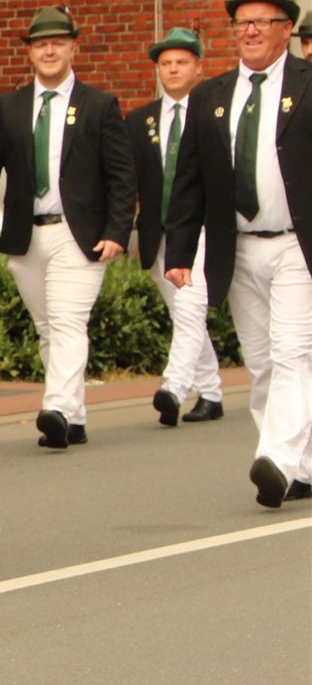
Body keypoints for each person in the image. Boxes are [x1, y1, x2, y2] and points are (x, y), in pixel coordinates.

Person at [165, 0, 312, 509]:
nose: (249, 31)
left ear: (286, 28)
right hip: (238, 245)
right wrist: (180, 252)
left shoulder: (308, 84)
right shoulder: (211, 96)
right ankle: (300, 466)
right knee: (262, 359)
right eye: (241, 22)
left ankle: (274, 458)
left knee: (293, 351)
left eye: (261, 22)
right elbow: (189, 178)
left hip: (297, 246)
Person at [0, 6, 136, 450]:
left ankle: (57, 408)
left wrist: (118, 231)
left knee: (67, 322)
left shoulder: (99, 105)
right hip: (24, 237)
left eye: (57, 43)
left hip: (78, 236)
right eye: (40, 44)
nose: (48, 51)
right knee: (47, 327)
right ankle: (73, 418)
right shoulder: (10, 106)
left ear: (73, 48)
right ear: (29, 52)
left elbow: (122, 176)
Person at [128, 28, 223, 426]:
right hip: (159, 231)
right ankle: (212, 393)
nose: (172, 69)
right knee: (185, 314)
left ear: (198, 67)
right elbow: (128, 179)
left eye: (182, 62)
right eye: (165, 63)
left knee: (188, 307)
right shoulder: (140, 120)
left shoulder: (214, 112)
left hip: (202, 230)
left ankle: (174, 387)